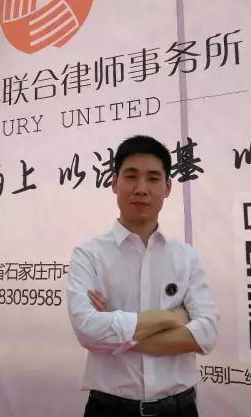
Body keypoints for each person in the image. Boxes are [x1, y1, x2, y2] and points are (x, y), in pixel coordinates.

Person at [67, 135, 219, 417]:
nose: (141, 189)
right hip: (108, 409)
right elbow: (87, 330)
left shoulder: (186, 257)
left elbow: (207, 334)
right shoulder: (88, 255)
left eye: (152, 178)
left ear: (168, 187)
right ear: (114, 182)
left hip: (179, 409)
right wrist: (171, 318)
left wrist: (116, 328)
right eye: (131, 176)